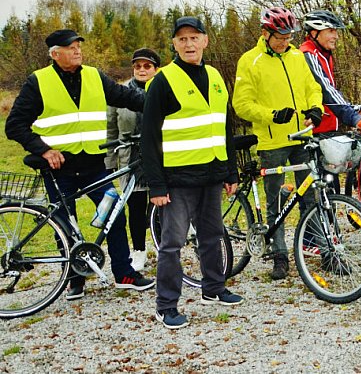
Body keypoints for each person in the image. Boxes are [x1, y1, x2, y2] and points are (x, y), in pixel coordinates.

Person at [5, 29, 154, 300]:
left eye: (78, 46)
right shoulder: (38, 82)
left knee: (114, 216)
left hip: (94, 167)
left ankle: (124, 274)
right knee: (64, 225)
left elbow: (128, 97)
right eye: (70, 47)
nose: (77, 50)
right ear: (55, 54)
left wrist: (159, 103)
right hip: (58, 170)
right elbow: (14, 125)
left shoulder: (95, 76)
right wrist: (43, 149)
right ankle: (75, 279)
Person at [141, 16, 243, 329]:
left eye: (194, 38)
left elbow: (224, 127)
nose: (189, 44)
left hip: (211, 174)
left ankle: (213, 288)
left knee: (212, 236)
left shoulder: (214, 76)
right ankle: (166, 306)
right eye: (182, 39)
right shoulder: (163, 81)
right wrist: (156, 185)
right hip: (177, 179)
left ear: (205, 41)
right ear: (174, 44)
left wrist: (231, 172)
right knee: (173, 244)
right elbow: (149, 137)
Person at [232, 7, 323, 281]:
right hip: (272, 141)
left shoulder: (297, 57)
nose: (285, 42)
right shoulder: (250, 61)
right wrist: (271, 115)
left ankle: (322, 248)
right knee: (275, 202)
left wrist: (315, 108)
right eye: (280, 37)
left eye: (288, 37)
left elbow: (312, 87)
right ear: (265, 33)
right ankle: (279, 255)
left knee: (311, 195)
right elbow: (241, 104)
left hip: (301, 136)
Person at [106, 48, 161, 272]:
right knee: (136, 208)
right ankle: (138, 251)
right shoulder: (120, 93)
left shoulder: (163, 89)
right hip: (130, 157)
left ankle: (163, 247)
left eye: (147, 66)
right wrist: (110, 162)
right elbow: (111, 128)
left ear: (155, 69)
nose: (142, 70)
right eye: (137, 66)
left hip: (159, 155)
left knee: (160, 205)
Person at [299, 9, 361, 133]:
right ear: (314, 33)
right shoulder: (308, 55)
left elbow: (332, 90)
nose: (336, 36)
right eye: (331, 31)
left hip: (328, 126)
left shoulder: (324, 54)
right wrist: (353, 117)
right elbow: (326, 90)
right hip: (314, 128)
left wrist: (351, 107)